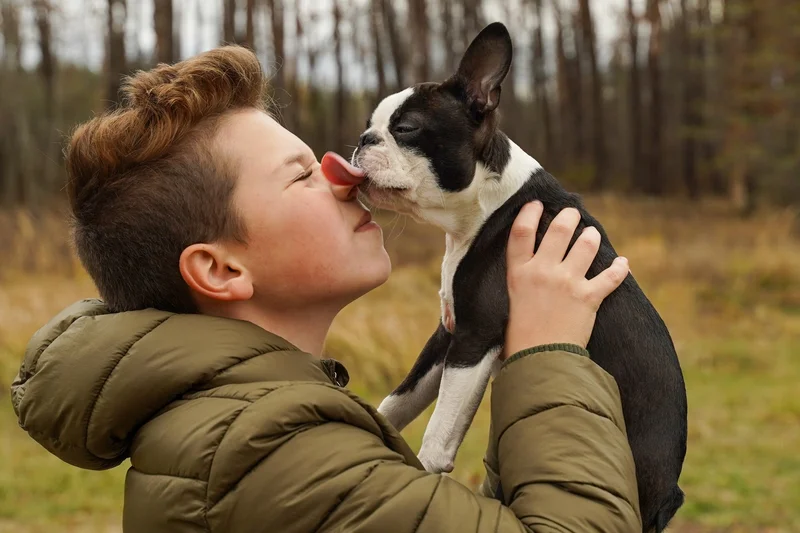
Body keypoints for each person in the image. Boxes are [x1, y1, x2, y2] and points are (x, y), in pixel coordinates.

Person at [11, 46, 641, 532]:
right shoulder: (276, 456)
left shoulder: (243, 428)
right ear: (220, 271)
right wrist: (548, 354)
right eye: (302, 176)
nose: (342, 175)